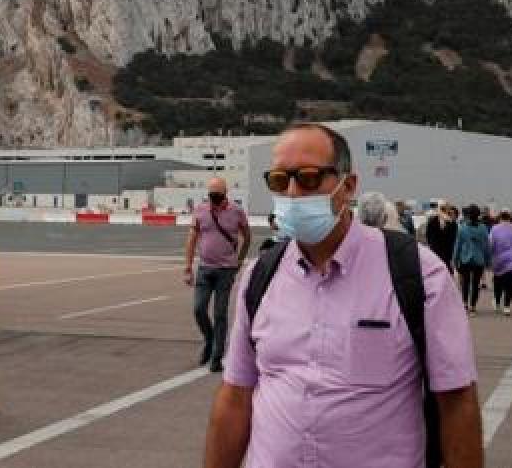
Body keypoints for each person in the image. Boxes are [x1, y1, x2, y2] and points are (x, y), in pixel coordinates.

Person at [205, 123, 483, 468]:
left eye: (308, 178)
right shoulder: (260, 276)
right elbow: (235, 396)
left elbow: (457, 402)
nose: (292, 192)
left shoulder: (419, 273)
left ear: (348, 185)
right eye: (279, 180)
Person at [184, 177, 251, 373]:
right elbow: (191, 239)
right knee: (199, 309)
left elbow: (247, 236)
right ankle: (210, 338)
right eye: (211, 195)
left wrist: (239, 260)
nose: (214, 199)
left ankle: (216, 356)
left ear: (226, 194)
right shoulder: (201, 211)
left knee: (220, 314)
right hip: (205, 268)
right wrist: (188, 267)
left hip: (226, 271)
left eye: (218, 195)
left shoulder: (237, 212)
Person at [453, 205, 491, 315]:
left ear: (468, 215)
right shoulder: (483, 228)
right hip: (479, 260)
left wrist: (455, 260)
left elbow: (457, 245)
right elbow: (486, 246)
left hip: (465, 259)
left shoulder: (462, 227)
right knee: (475, 284)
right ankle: (473, 306)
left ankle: (465, 304)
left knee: (465, 283)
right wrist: (488, 261)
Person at [427, 203, 458, 273]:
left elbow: (454, 239)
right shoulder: (432, 222)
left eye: (445, 209)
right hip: (436, 253)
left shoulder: (452, 223)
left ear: (448, 210)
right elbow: (429, 237)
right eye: (442, 208)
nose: (443, 211)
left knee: (448, 273)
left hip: (448, 254)